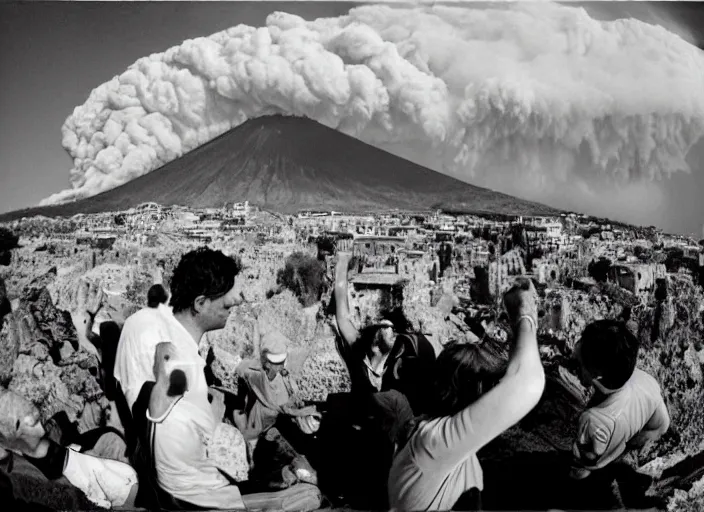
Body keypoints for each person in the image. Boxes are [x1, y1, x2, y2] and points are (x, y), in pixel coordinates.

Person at [131, 247, 321, 511]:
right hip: (195, 500)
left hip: (196, 491)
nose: (235, 301)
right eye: (226, 296)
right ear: (200, 303)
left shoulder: (174, 350)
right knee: (308, 493)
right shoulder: (179, 364)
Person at [388, 278, 546, 511]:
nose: (498, 392)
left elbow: (517, 373)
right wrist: (524, 312)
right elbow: (527, 383)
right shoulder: (436, 443)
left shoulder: (435, 436)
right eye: (494, 387)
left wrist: (516, 319)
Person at [569, 320, 670, 504]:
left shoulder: (595, 420)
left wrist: (583, 462)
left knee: (583, 470)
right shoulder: (641, 376)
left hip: (641, 438)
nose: (574, 355)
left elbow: (589, 456)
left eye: (579, 363)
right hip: (658, 423)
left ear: (597, 377)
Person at [0, 387, 138, 509]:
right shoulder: (22, 481)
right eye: (18, 424)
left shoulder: (104, 441)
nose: (31, 417)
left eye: (26, 406)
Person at [233, 330, 320, 489]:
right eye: (275, 362)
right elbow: (274, 403)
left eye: (282, 361)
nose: (279, 366)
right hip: (260, 428)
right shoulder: (256, 375)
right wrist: (298, 412)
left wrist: (302, 411)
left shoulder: (284, 376)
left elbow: (290, 399)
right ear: (265, 362)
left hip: (276, 424)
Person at [114, 284, 173, 412]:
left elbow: (118, 369)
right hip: (150, 400)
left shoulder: (130, 321)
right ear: (164, 302)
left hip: (128, 395)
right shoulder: (164, 324)